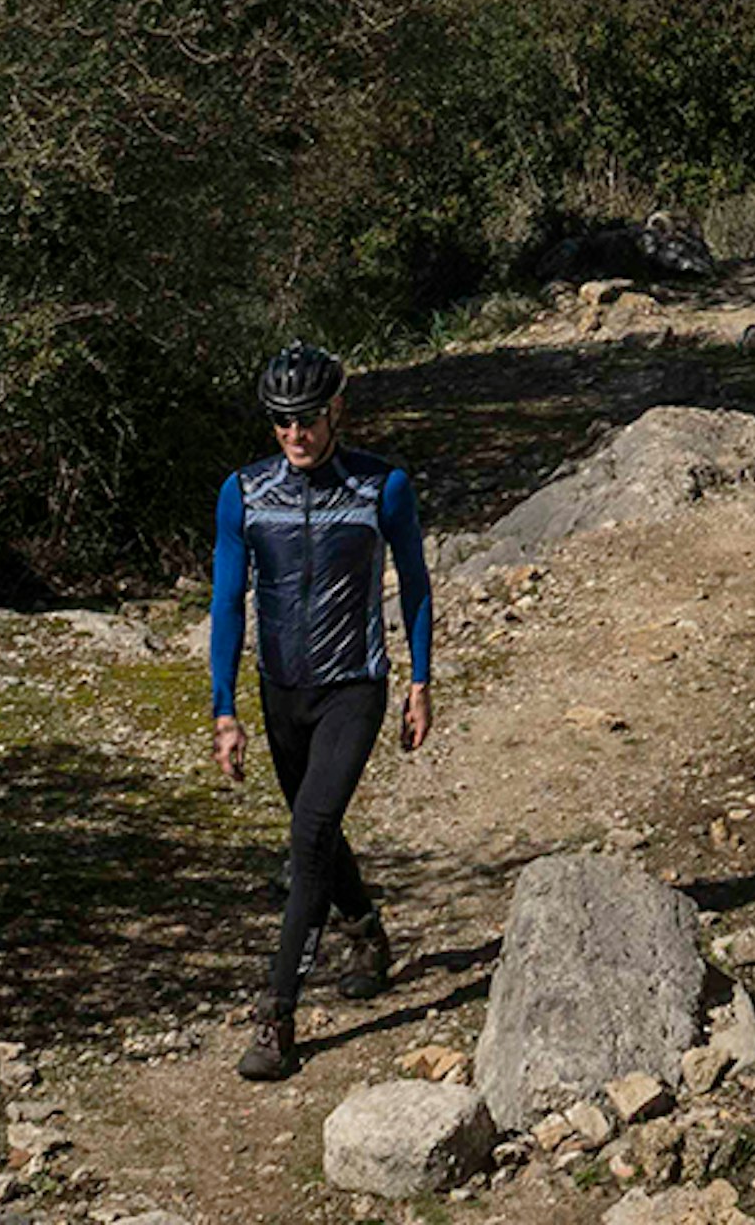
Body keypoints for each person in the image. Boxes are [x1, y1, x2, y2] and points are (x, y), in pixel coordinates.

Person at [210, 339, 436, 1082]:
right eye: (281, 421)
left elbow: (417, 584)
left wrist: (421, 682)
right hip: (281, 692)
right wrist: (224, 710)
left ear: (336, 410)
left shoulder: (382, 487)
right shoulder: (244, 493)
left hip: (353, 687)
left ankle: (278, 1014)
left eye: (306, 418)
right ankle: (367, 931)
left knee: (308, 834)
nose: (295, 435)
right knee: (318, 829)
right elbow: (225, 605)